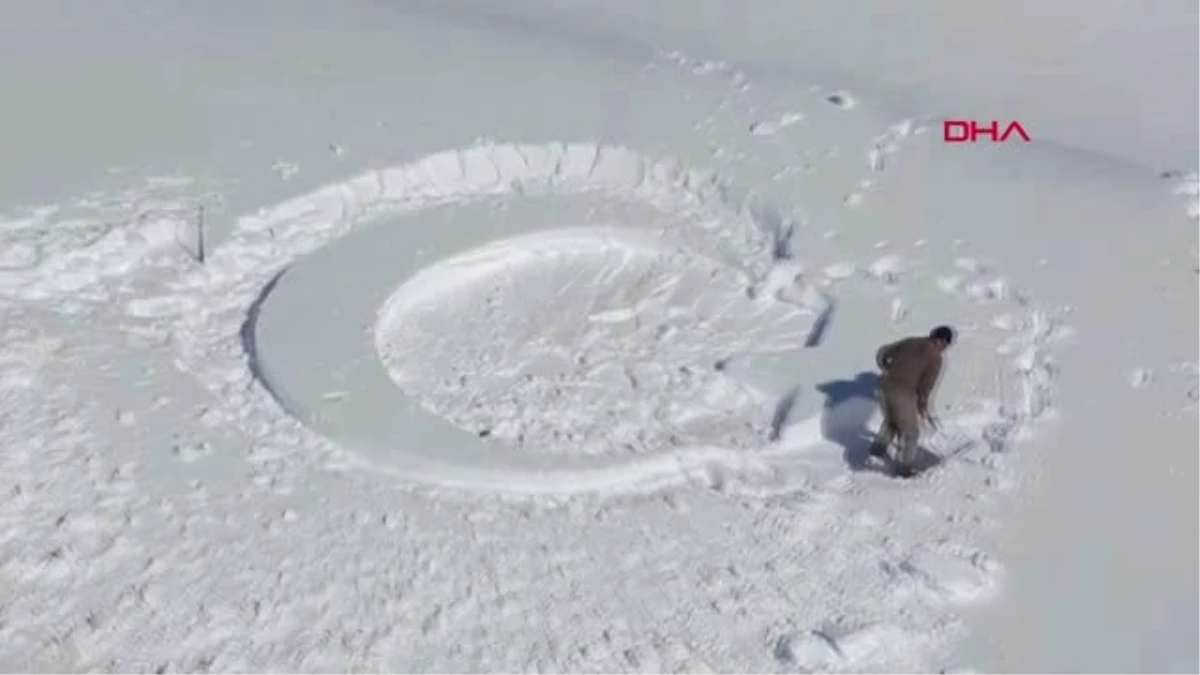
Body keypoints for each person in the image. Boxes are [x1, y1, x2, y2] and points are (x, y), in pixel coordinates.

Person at [869, 325, 955, 477]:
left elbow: (882, 353)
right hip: (903, 393)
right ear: (942, 342)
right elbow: (925, 386)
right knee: (911, 433)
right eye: (944, 344)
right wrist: (922, 406)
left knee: (892, 422)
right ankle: (905, 470)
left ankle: (876, 453)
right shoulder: (935, 358)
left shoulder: (911, 341)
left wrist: (887, 368)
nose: (943, 347)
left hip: (885, 387)